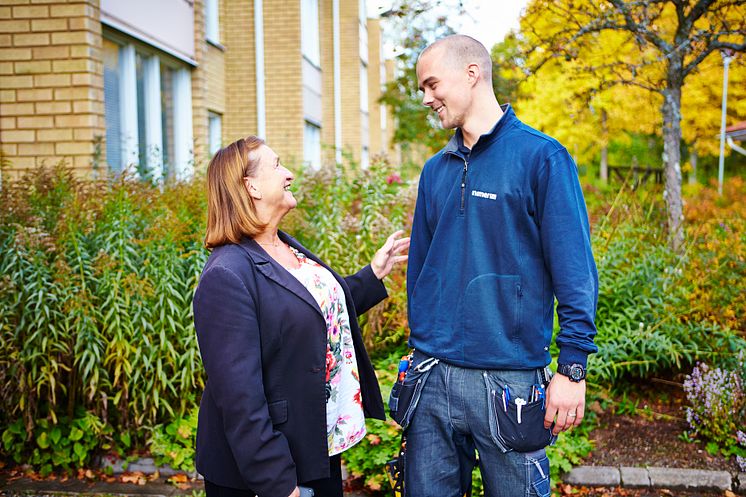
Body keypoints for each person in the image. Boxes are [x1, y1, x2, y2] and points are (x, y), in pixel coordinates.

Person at [403, 35, 598, 496]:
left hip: (509, 380)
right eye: (422, 90)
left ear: (472, 73)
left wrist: (572, 369)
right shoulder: (435, 170)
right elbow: (421, 272)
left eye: (432, 85)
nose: (427, 99)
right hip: (432, 376)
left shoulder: (542, 158)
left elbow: (575, 271)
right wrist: (417, 352)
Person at [193, 136, 409, 497]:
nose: (289, 174)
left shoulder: (281, 245)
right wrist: (280, 484)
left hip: (312, 444)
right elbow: (240, 400)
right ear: (251, 187)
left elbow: (309, 313)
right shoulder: (227, 275)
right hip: (269, 468)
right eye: (277, 166)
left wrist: (371, 275)